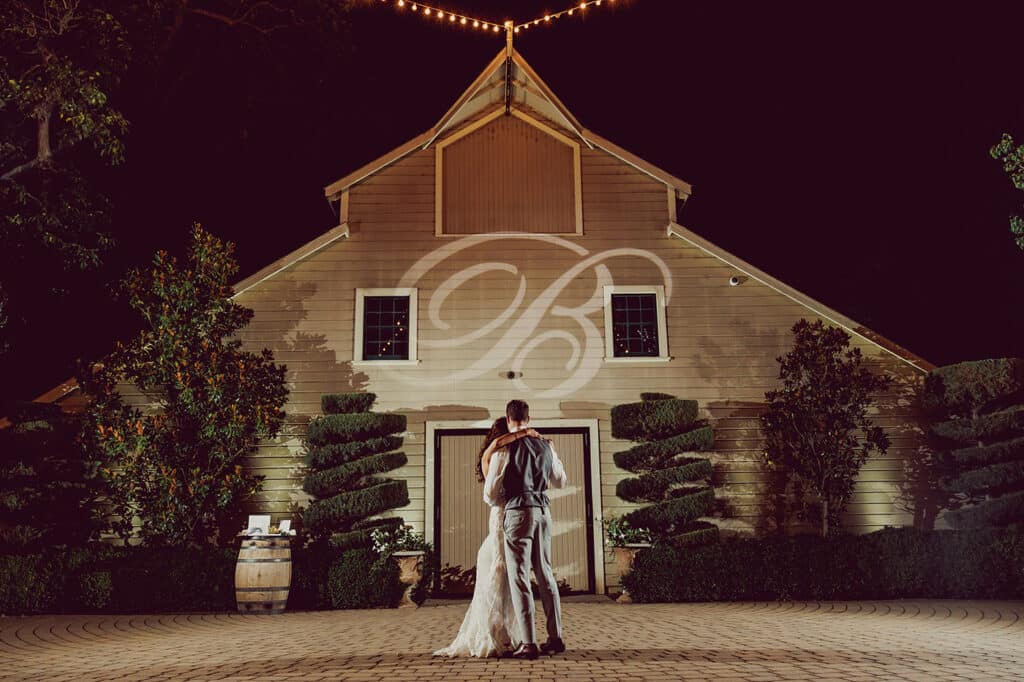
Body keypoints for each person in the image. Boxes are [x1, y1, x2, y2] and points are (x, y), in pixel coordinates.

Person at [432, 416, 541, 658]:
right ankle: (494, 634)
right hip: (502, 515)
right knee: (499, 572)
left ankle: (508, 634)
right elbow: (490, 495)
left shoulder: (502, 454)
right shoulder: (498, 455)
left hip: (507, 515)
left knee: (505, 576)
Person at [501, 398, 568, 660]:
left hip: (518, 511)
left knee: (519, 577)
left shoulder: (504, 448)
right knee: (545, 574)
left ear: (509, 420)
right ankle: (556, 637)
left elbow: (492, 491)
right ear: (528, 419)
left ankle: (528, 643)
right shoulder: (545, 445)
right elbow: (561, 481)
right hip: (542, 510)